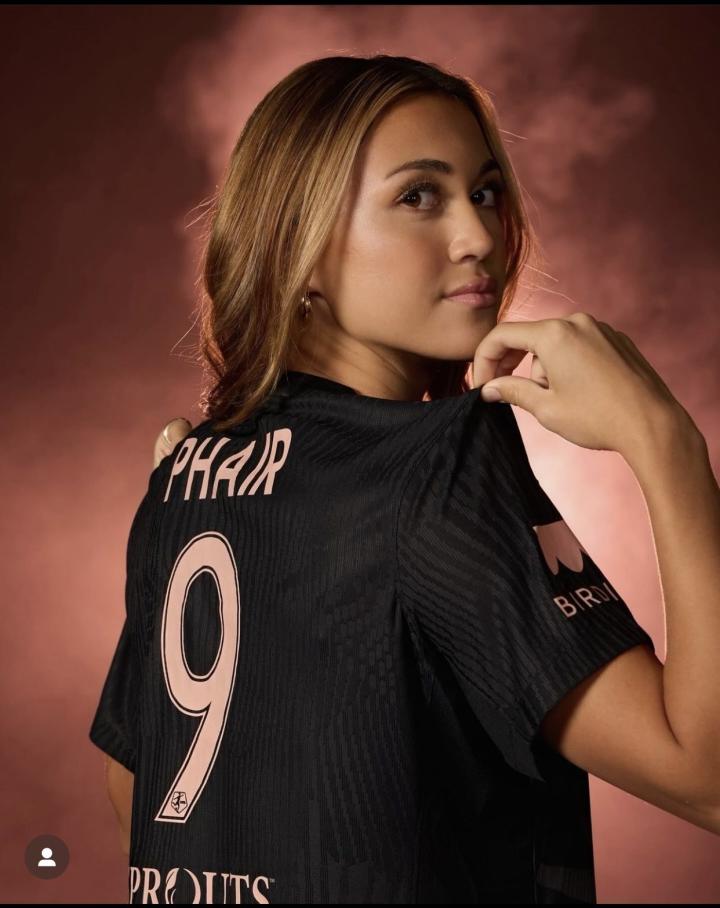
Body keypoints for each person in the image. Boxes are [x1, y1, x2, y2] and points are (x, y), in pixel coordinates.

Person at [91, 54, 720, 904]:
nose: (479, 236)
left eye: (486, 192)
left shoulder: (183, 471)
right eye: (418, 195)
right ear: (300, 246)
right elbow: (709, 777)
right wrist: (666, 442)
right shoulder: (439, 460)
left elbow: (134, 796)